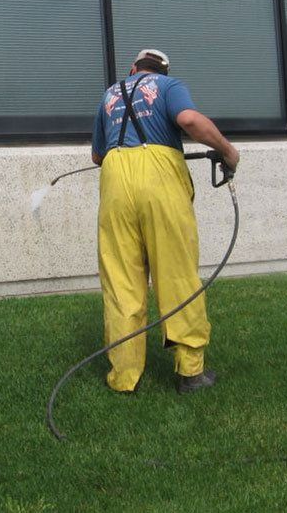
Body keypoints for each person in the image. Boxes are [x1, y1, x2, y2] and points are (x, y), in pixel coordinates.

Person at [91, 48, 239, 394]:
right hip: (160, 179)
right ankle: (191, 373)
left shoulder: (110, 94)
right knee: (176, 275)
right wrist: (229, 152)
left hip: (114, 181)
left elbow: (98, 155)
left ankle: (124, 378)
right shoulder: (169, 85)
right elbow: (188, 120)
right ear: (163, 70)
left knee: (122, 281)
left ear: (133, 68)